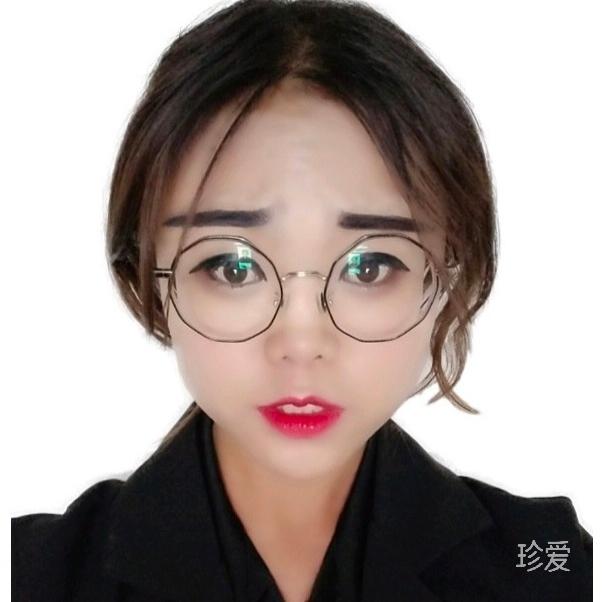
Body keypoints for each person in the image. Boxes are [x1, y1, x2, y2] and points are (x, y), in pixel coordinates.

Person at [11, 0, 592, 600]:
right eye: (233, 266)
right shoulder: (34, 576)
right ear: (146, 277)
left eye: (370, 265)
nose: (302, 342)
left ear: (447, 277)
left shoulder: (551, 569)